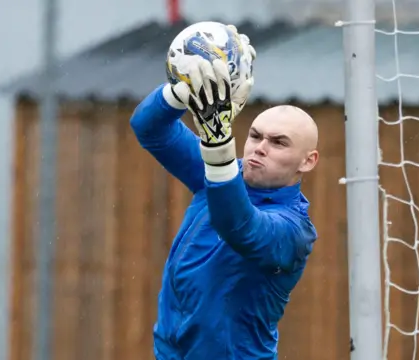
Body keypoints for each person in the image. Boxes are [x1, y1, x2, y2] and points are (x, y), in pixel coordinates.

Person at [129, 25, 320, 360]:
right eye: (256, 135)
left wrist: (217, 144)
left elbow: (238, 225)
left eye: (278, 143)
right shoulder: (220, 173)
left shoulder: (294, 230)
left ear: (308, 162)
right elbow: (149, 129)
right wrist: (184, 90)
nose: (260, 148)